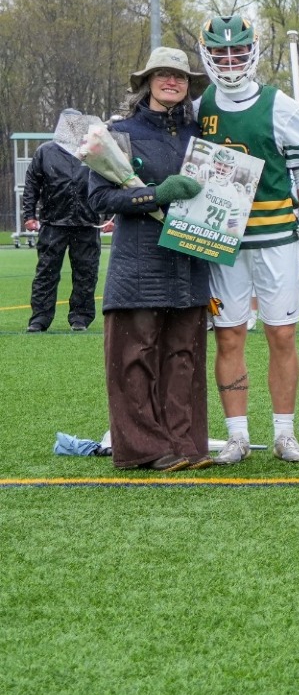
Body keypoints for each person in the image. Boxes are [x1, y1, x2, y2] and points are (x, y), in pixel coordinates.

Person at [195, 13, 299, 463]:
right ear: (207, 55)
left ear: (252, 52)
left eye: (237, 51)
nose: (229, 60)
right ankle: (237, 435)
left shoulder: (282, 106)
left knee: (282, 335)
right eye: (220, 52)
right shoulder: (197, 107)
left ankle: (284, 432)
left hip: (275, 237)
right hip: (219, 241)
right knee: (229, 337)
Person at [90, 49, 214, 470]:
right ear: (147, 82)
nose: (171, 81)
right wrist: (155, 195)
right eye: (162, 74)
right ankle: (144, 448)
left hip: (190, 260)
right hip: (138, 263)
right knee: (134, 358)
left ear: (188, 86)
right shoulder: (118, 133)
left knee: (184, 357)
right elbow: (99, 198)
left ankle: (185, 445)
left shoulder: (202, 135)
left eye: (179, 76)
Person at [23, 109, 104, 333]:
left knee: (86, 272)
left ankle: (80, 318)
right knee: (46, 272)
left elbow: (108, 182)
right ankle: (40, 318)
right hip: (53, 222)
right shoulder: (45, 151)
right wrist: (29, 215)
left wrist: (108, 216)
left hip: (87, 223)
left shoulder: (92, 151)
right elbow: (32, 184)